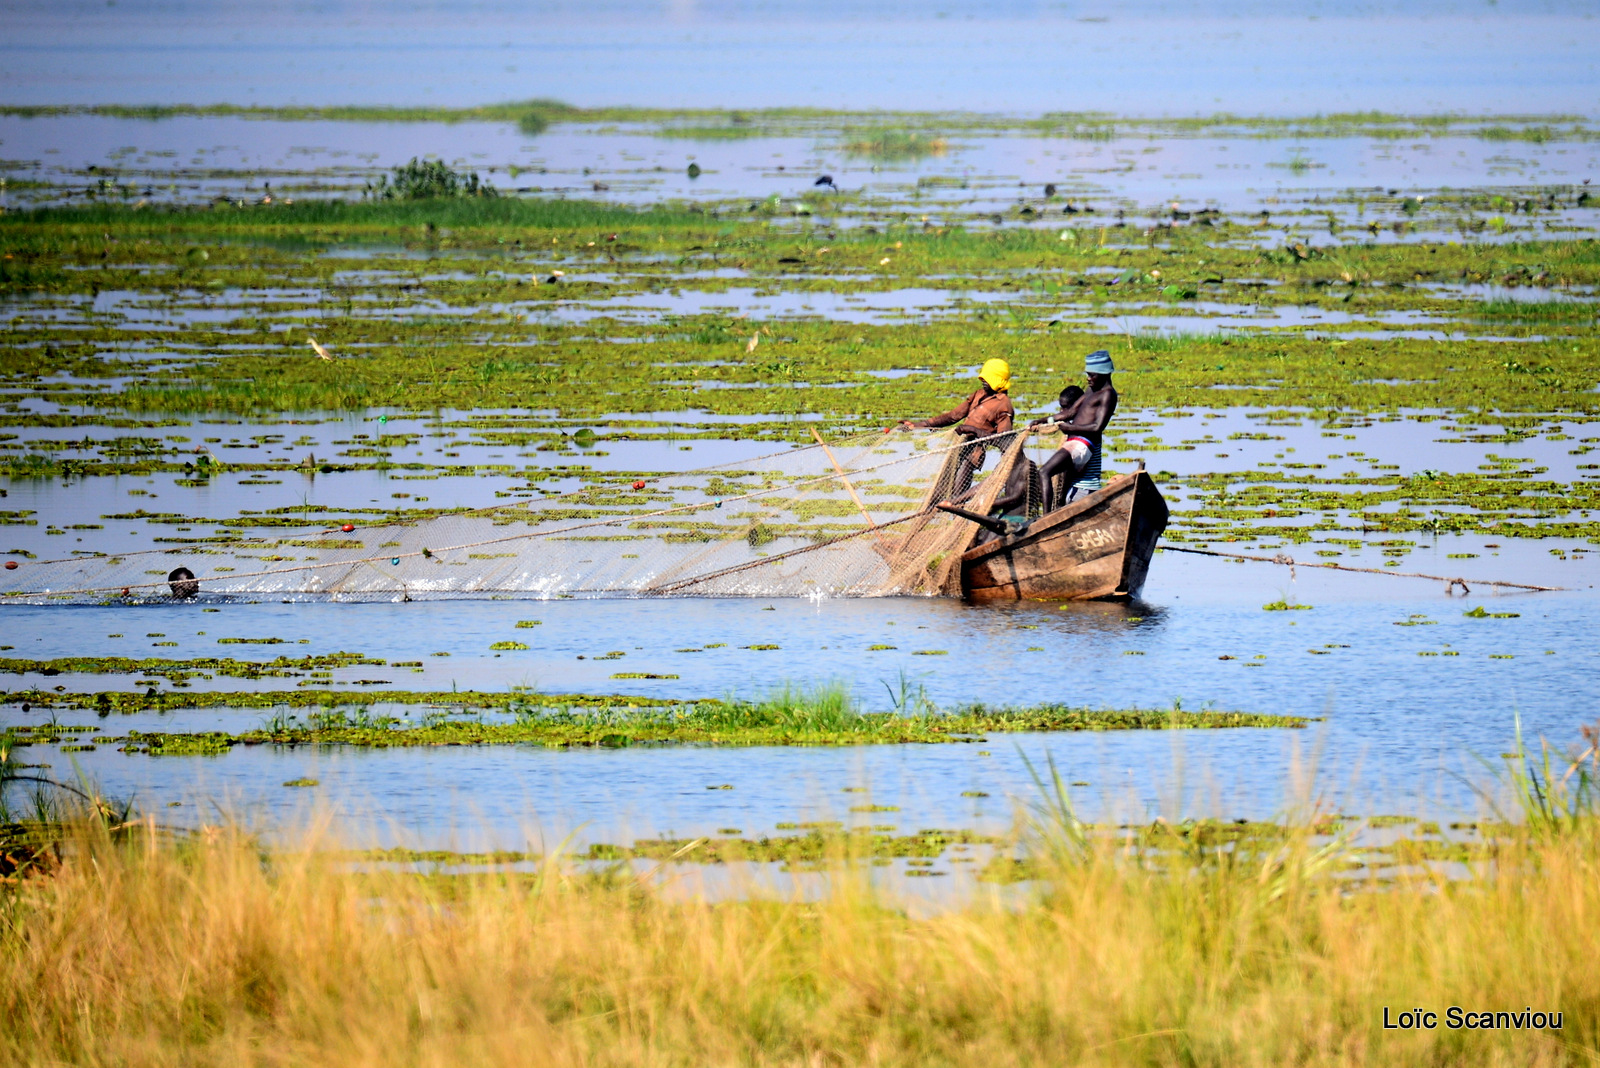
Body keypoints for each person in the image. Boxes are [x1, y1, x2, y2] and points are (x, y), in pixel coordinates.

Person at [884, 358, 1015, 502]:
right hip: (957, 448)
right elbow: (953, 416)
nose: (983, 381)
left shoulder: (1004, 405)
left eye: (988, 378)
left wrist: (972, 430)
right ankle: (934, 516)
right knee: (939, 492)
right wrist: (918, 425)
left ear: (999, 380)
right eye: (982, 377)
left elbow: (1003, 439)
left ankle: (958, 520)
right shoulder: (979, 395)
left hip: (972, 455)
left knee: (957, 496)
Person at [1029, 349, 1118, 513]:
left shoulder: (1108, 395)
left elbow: (1097, 427)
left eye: (1092, 375)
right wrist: (1044, 420)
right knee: (1050, 474)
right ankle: (1053, 511)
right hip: (1074, 442)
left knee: (1044, 472)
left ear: (1104, 373)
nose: (1088, 378)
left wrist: (1070, 428)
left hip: (1083, 444)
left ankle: (1046, 518)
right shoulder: (1091, 390)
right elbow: (1069, 413)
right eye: (1088, 374)